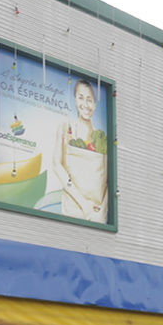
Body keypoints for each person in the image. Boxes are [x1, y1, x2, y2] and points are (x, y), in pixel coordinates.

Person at [52, 78, 108, 222]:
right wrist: (84, 204)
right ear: (75, 100)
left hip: (97, 215)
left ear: (95, 104)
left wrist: (103, 210)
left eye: (89, 99)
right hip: (73, 210)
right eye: (81, 98)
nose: (85, 104)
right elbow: (57, 166)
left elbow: (108, 180)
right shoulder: (66, 128)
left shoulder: (101, 138)